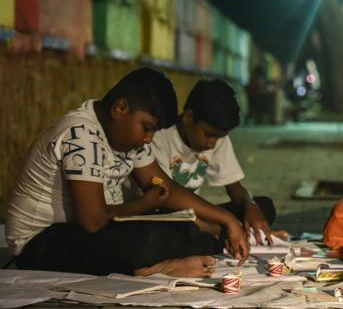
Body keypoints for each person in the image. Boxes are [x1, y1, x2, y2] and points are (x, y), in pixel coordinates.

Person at [6, 68, 249, 277]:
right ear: (120, 108)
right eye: (147, 129)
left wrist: (226, 219)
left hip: (91, 232)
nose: (148, 139)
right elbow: (93, 221)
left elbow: (168, 188)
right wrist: (145, 204)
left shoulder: (128, 141)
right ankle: (154, 269)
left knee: (180, 229)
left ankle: (182, 249)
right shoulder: (81, 134)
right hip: (41, 244)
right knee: (152, 239)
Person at [145, 78, 279, 245]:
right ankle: (230, 237)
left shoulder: (217, 138)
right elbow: (166, 200)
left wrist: (250, 206)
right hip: (167, 215)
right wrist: (225, 225)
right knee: (174, 231)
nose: (212, 144)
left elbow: (234, 186)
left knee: (264, 206)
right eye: (209, 135)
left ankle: (227, 236)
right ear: (189, 117)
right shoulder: (160, 137)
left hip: (197, 216)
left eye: (219, 137)